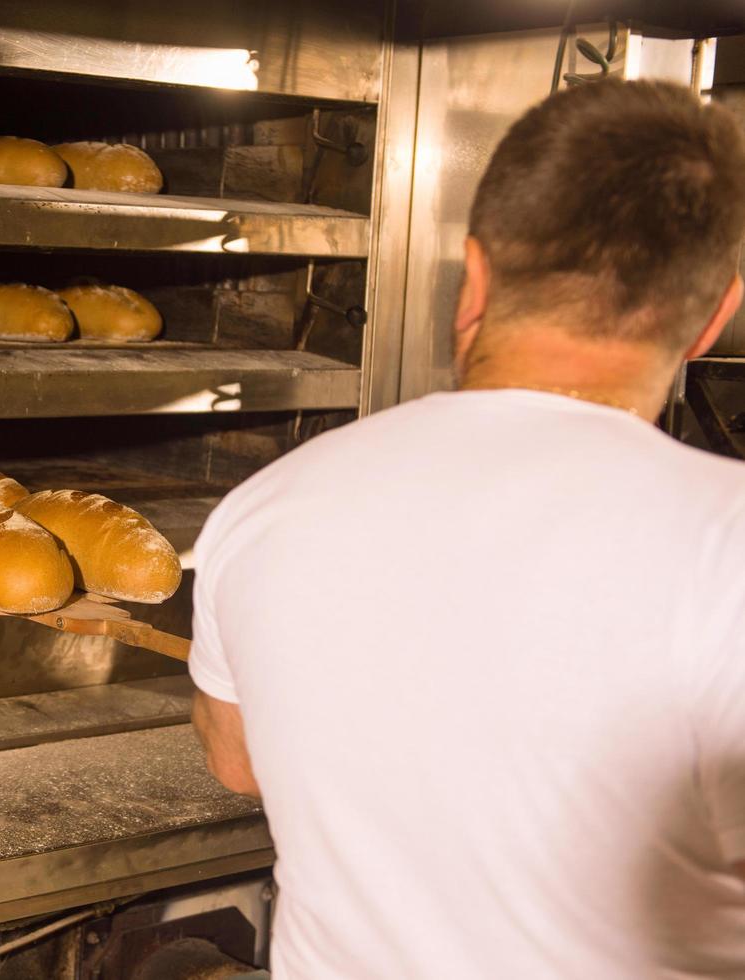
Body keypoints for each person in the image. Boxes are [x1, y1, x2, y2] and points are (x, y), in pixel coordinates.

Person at [189, 79, 745, 978]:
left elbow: (238, 762)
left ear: (475, 276)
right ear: (713, 317)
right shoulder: (728, 548)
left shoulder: (265, 505)